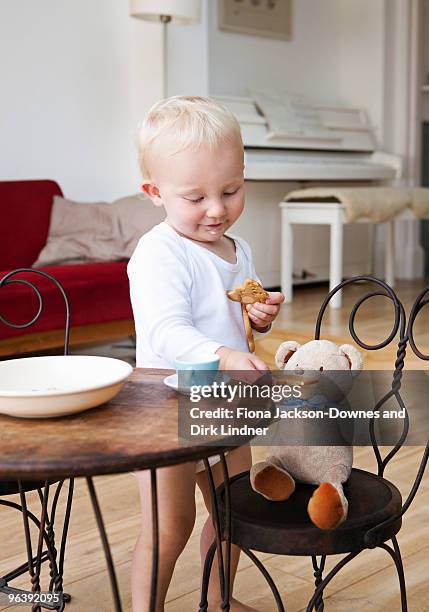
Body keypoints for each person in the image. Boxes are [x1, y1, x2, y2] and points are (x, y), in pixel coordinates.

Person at [128, 96, 284, 611]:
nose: (216, 209)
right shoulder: (159, 253)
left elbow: (233, 319)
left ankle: (217, 600)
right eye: (195, 197)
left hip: (223, 407)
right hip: (166, 414)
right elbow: (168, 331)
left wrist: (257, 317)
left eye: (231, 190)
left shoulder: (237, 250)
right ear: (155, 192)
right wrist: (225, 353)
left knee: (231, 514)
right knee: (169, 527)